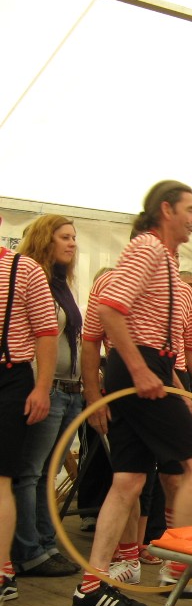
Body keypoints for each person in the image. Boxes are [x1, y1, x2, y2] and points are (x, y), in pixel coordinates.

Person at [73, 180, 192, 606]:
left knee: (129, 480)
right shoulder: (148, 248)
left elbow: (175, 340)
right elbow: (109, 309)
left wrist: (187, 388)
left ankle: (91, 586)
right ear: (166, 210)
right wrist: (139, 369)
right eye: (189, 209)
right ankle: (179, 566)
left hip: (151, 367)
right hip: (140, 369)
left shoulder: (167, 262)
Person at [10, 215, 83, 577]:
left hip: (69, 390)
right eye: (64, 237)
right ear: (45, 240)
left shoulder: (62, 283)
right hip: (48, 387)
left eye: (74, 237)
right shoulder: (31, 278)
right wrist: (41, 388)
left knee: (46, 472)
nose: (72, 243)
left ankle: (46, 543)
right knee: (31, 472)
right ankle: (29, 550)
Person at [0, 219, 58, 606]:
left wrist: (42, 388)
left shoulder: (24, 268)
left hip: (11, 378)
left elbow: (46, 331)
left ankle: (3, 572)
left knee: (2, 477)